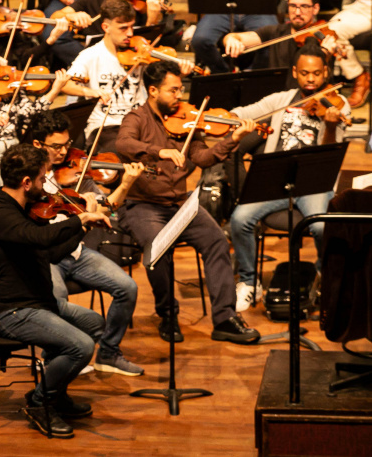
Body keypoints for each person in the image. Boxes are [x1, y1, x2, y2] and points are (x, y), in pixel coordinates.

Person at [115, 60, 262, 344]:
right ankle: (168, 314)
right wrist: (160, 151)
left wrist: (235, 137)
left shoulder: (186, 121)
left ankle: (224, 319)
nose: (179, 96)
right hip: (143, 205)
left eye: (181, 89)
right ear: (154, 91)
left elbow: (203, 158)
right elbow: (123, 144)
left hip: (179, 204)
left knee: (218, 241)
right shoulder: (137, 118)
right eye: (173, 91)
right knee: (158, 251)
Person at [0, 143, 109, 438]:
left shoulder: (22, 209)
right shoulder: (1, 214)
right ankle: (40, 402)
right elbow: (39, 238)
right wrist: (81, 218)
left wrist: (83, 227)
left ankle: (55, 391)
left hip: (38, 301)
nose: (46, 185)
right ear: (26, 183)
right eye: (41, 179)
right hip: (12, 311)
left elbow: (49, 254)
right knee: (81, 346)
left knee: (93, 324)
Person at [227, 43, 350, 311]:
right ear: (295, 72)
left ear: (326, 72)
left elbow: (330, 152)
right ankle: (249, 282)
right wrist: (233, 119)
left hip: (314, 183)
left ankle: (322, 274)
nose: (310, 79)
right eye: (305, 73)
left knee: (321, 227)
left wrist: (329, 125)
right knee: (239, 219)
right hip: (276, 180)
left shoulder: (338, 105)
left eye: (317, 73)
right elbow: (243, 112)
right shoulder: (280, 100)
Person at [22, 109, 144, 376]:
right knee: (57, 300)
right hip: (45, 255)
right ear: (37, 144)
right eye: (56, 146)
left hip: (75, 251)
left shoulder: (79, 172)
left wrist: (126, 184)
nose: (65, 152)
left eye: (67, 143)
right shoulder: (25, 174)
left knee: (128, 288)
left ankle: (109, 353)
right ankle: (54, 357)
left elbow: (108, 208)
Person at [61, 0, 193, 154]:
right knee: (133, 152)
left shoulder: (140, 52)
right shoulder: (90, 55)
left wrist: (181, 76)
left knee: (185, 147)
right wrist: (90, 92)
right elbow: (65, 84)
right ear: (106, 27)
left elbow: (160, 87)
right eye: (123, 28)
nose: (130, 33)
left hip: (141, 123)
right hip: (106, 127)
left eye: (132, 27)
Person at [0, 33, 70, 192]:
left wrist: (54, 91)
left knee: (38, 174)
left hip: (13, 155)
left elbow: (32, 113)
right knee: (7, 182)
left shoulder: (10, 87)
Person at [223, 0, 368, 93]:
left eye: (304, 6)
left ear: (315, 8)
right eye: (293, 6)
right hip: (279, 100)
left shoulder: (325, 36)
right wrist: (231, 39)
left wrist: (325, 53)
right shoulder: (275, 31)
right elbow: (241, 38)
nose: (297, 12)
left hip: (312, 101)